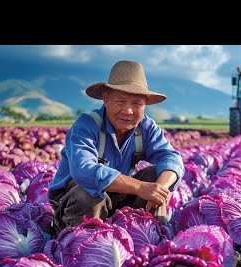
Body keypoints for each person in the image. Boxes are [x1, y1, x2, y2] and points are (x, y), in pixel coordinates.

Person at [48, 60, 185, 232]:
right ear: (106, 99)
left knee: (155, 178)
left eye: (136, 103)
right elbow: (84, 171)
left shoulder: (146, 127)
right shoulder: (86, 125)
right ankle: (79, 243)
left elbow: (171, 158)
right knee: (89, 194)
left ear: (145, 105)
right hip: (73, 201)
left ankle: (154, 240)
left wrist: (160, 188)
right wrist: (142, 188)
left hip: (117, 199)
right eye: (120, 101)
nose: (128, 111)